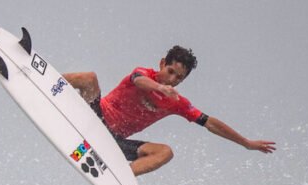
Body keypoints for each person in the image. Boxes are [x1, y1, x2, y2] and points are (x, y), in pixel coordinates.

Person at [62, 45, 276, 176]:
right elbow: (139, 81)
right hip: (94, 116)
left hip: (113, 140)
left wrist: (246, 143)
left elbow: (210, 123)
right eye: (170, 71)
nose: (172, 80)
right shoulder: (143, 73)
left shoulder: (177, 102)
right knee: (89, 78)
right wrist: (159, 87)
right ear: (162, 63)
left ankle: (119, 176)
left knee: (165, 152)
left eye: (179, 78)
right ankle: (42, 82)